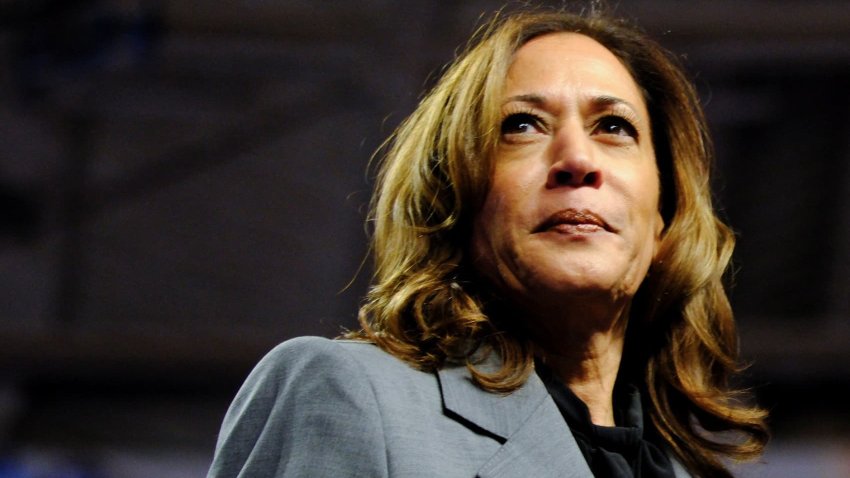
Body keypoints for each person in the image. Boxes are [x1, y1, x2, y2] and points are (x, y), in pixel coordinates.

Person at [207, 6, 768, 478]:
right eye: (521, 125)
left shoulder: (685, 467)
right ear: (453, 204)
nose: (576, 160)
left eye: (613, 127)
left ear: (663, 223)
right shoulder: (346, 393)